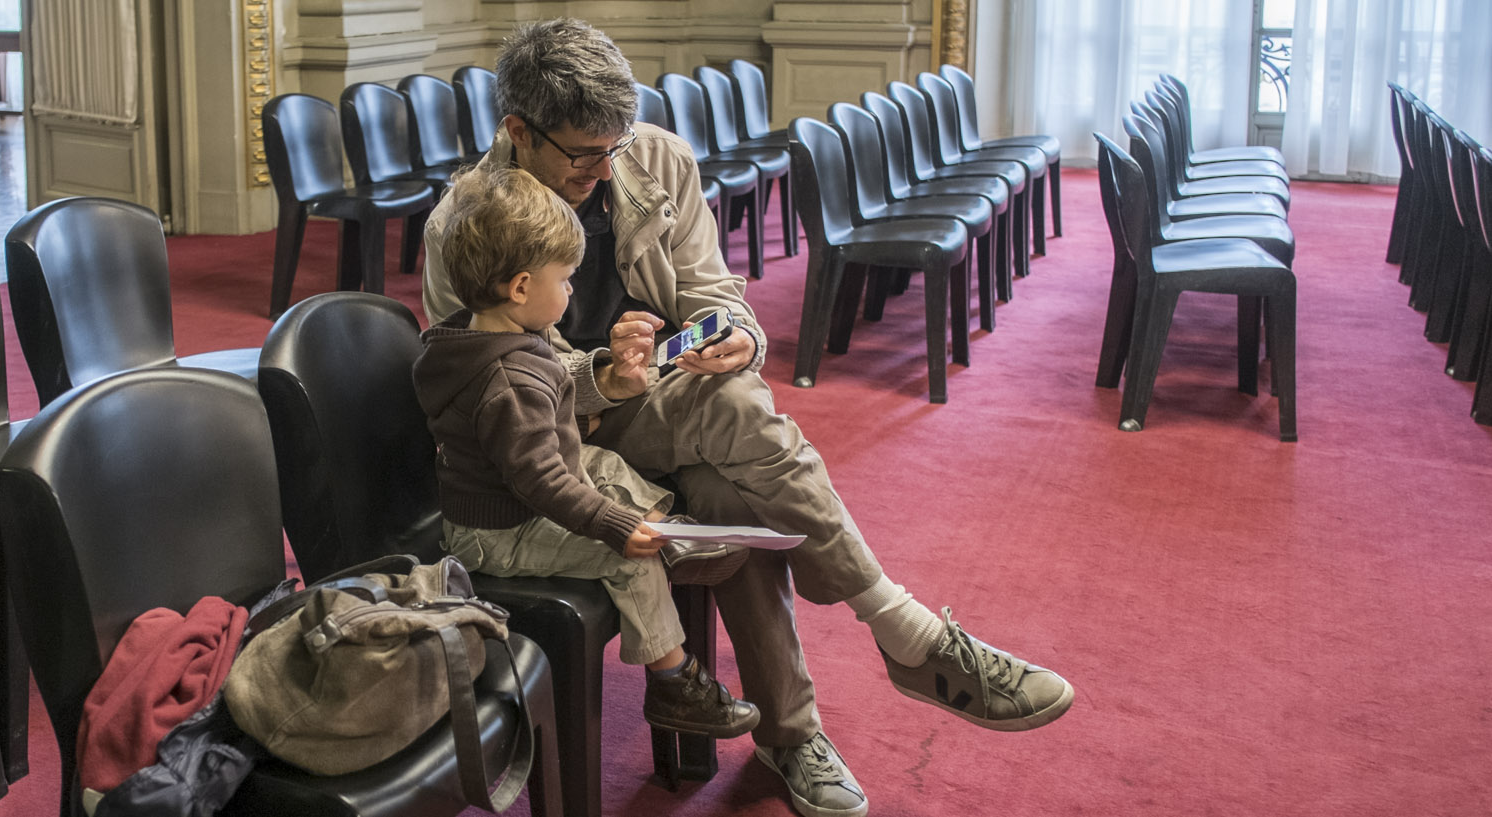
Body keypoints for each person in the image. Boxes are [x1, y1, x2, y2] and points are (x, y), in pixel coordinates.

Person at [420, 18, 1075, 817]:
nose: (604, 166)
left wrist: (739, 336)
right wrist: (607, 376)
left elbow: (715, 292)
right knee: (731, 417)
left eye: (614, 147)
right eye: (583, 153)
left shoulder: (652, 156)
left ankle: (792, 732)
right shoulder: (463, 222)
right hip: (563, 437)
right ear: (519, 131)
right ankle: (904, 633)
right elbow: (484, 379)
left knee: (731, 487)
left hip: (668, 396)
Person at [413, 162, 761, 740]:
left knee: (602, 462)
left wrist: (615, 374)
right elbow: (540, 480)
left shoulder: (484, 334)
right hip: (498, 532)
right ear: (521, 287)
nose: (572, 289)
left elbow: (552, 423)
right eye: (565, 279)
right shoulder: (509, 379)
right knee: (628, 555)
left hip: (502, 500)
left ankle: (667, 533)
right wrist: (613, 524)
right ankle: (675, 683)